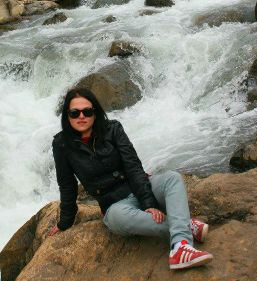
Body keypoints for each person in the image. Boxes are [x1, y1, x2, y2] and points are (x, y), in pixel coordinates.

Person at [49, 87, 213, 270]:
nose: (81, 116)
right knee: (119, 219)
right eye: (74, 113)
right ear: (67, 115)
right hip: (115, 205)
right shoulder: (61, 144)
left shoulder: (113, 129)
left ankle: (180, 247)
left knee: (172, 178)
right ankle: (184, 226)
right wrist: (64, 223)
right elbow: (67, 185)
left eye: (87, 111)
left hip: (138, 187)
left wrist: (148, 203)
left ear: (95, 113)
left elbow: (132, 165)